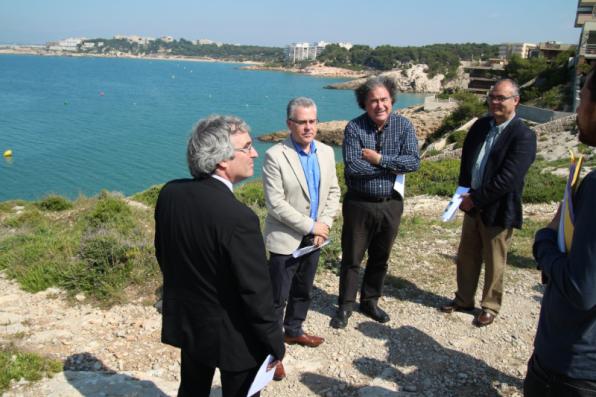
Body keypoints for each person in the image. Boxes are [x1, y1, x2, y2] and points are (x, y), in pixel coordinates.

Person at [154, 115, 285, 397]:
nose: (254, 153)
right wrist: (275, 343)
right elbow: (256, 293)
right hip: (235, 336)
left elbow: (164, 256)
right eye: (247, 147)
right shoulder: (238, 218)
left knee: (191, 389)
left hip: (192, 322)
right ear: (223, 160)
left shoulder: (170, 194)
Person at [440, 78, 537, 327]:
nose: (494, 102)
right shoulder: (481, 125)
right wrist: (462, 194)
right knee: (467, 255)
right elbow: (467, 162)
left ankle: (490, 306)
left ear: (516, 101)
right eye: (492, 97)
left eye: (501, 98)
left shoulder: (523, 135)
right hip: (471, 203)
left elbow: (509, 178)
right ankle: (463, 300)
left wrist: (476, 199)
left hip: (498, 208)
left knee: (495, 260)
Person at [524, 67, 596, 396]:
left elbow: (581, 288)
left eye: (582, 100)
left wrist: (545, 242)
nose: (577, 111)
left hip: (571, 369)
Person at [330, 76, 420, 329]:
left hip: (391, 203)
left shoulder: (404, 126)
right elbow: (354, 168)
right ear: (364, 104)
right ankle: (345, 306)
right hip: (359, 203)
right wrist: (393, 165)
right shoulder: (354, 128)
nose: (379, 105)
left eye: (384, 100)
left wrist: (379, 159)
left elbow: (413, 162)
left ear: (391, 100)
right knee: (352, 258)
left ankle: (370, 301)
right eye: (373, 101)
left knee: (381, 257)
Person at [262, 97, 341, 376]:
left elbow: (333, 192)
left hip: (316, 237)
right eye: (301, 122)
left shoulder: (327, 153)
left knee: (303, 290)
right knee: (276, 299)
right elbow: (276, 204)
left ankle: (294, 330)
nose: (308, 127)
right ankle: (271, 353)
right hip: (285, 240)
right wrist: (312, 226)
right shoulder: (275, 155)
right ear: (289, 124)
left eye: (312, 121)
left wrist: (325, 225)